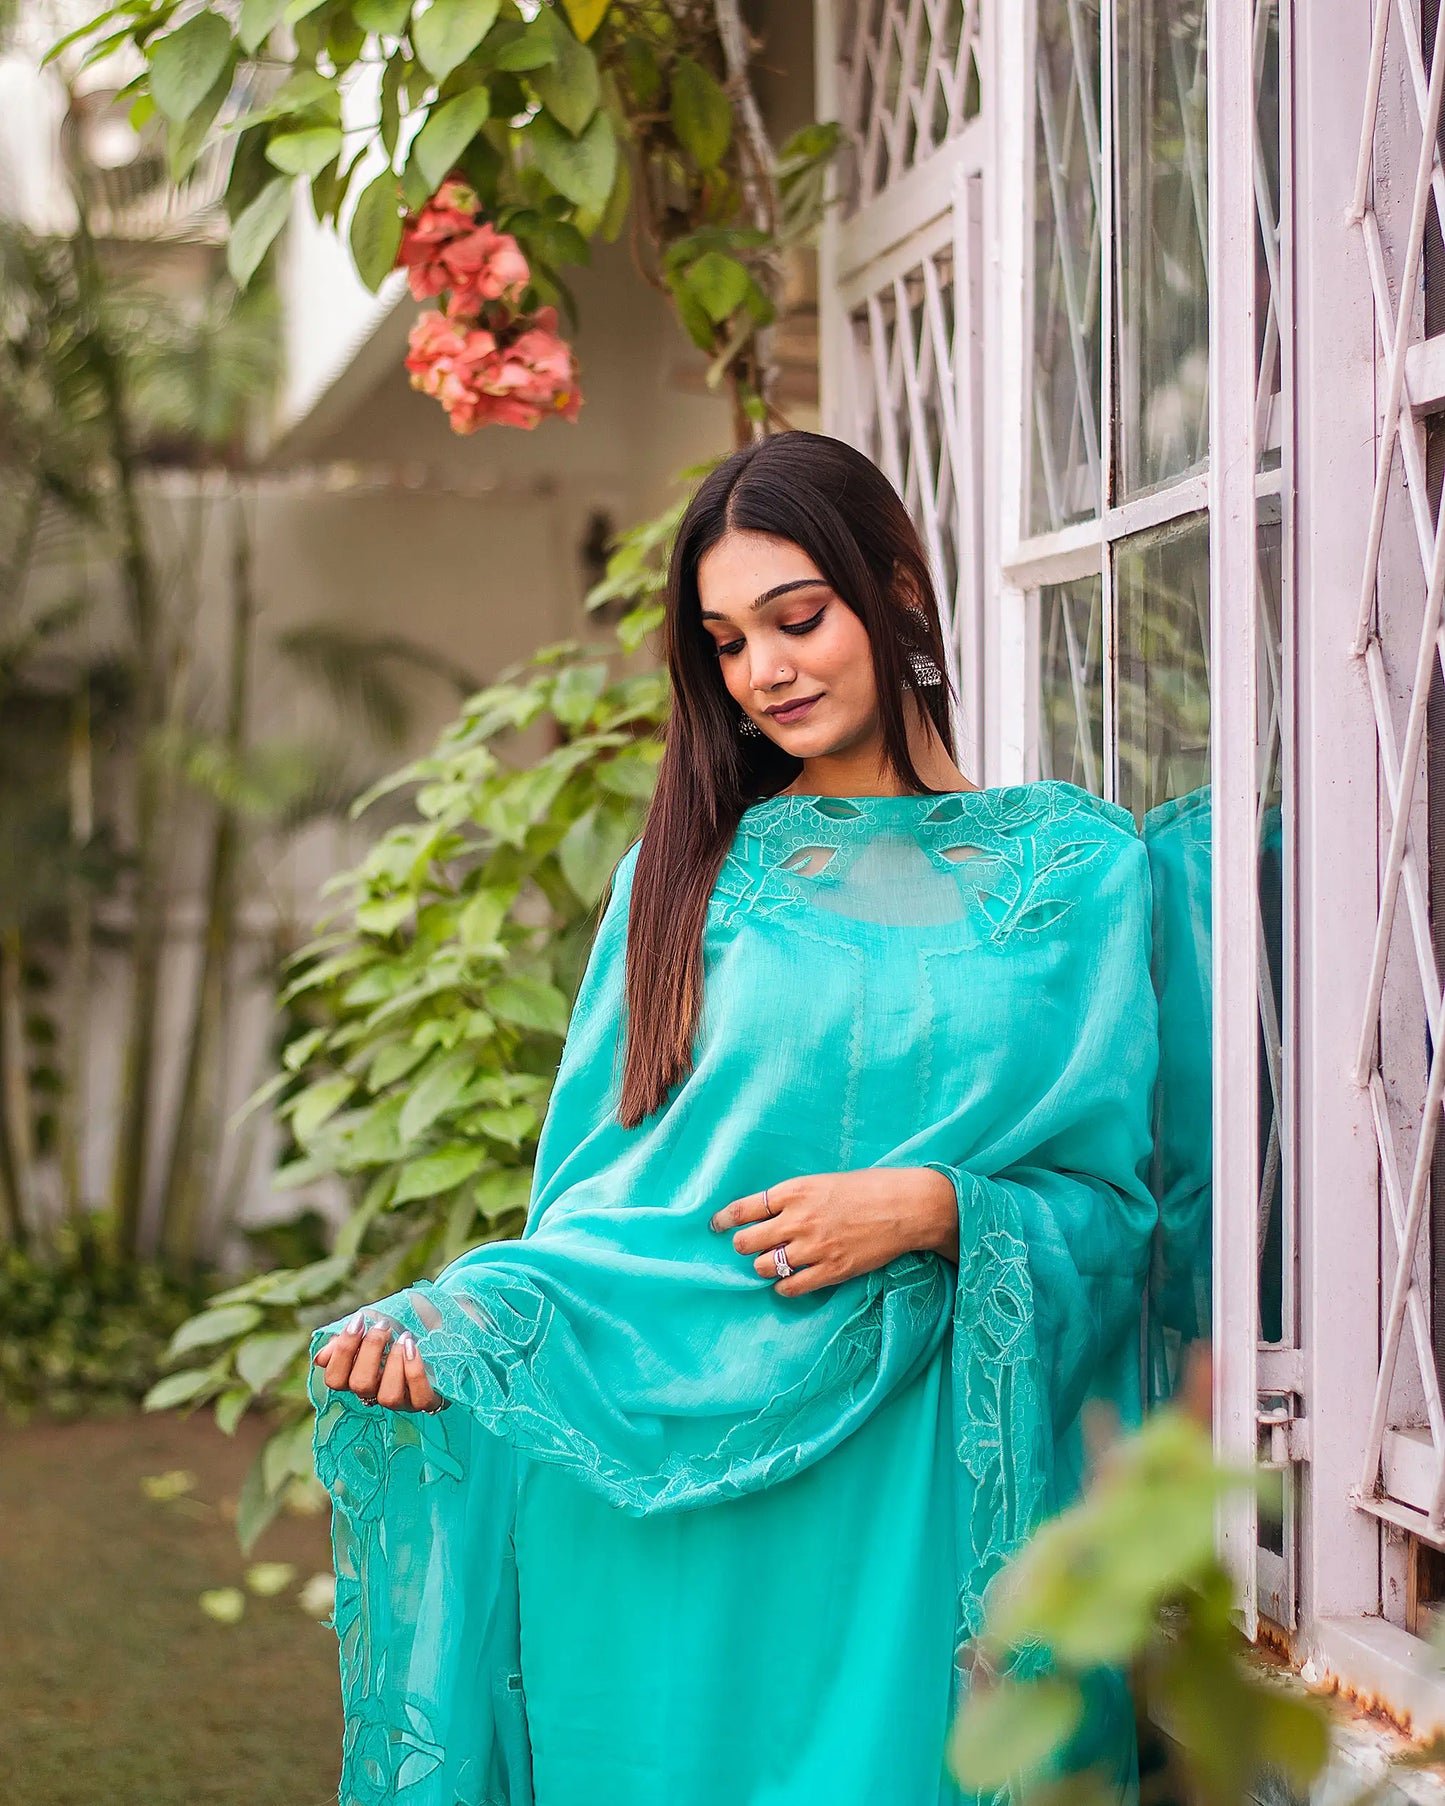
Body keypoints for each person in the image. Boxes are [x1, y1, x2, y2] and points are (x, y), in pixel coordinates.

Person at [308, 430, 1159, 1806]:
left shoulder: (1071, 874)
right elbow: (607, 1203)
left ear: (897, 591)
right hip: (676, 1513)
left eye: (797, 616)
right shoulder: (686, 876)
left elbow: (1130, 1221)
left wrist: (938, 1207)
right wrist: (456, 1321)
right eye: (725, 640)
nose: (765, 669)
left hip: (917, 1510)